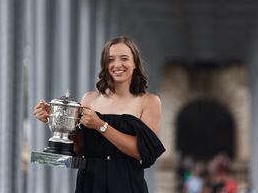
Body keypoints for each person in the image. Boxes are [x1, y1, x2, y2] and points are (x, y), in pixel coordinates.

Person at [33, 36, 165, 193]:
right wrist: (56, 118)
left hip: (127, 183)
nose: (117, 64)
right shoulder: (89, 98)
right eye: (110, 59)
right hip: (90, 183)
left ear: (135, 63)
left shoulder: (149, 101)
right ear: (105, 64)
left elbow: (141, 152)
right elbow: (79, 148)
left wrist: (100, 125)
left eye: (124, 58)